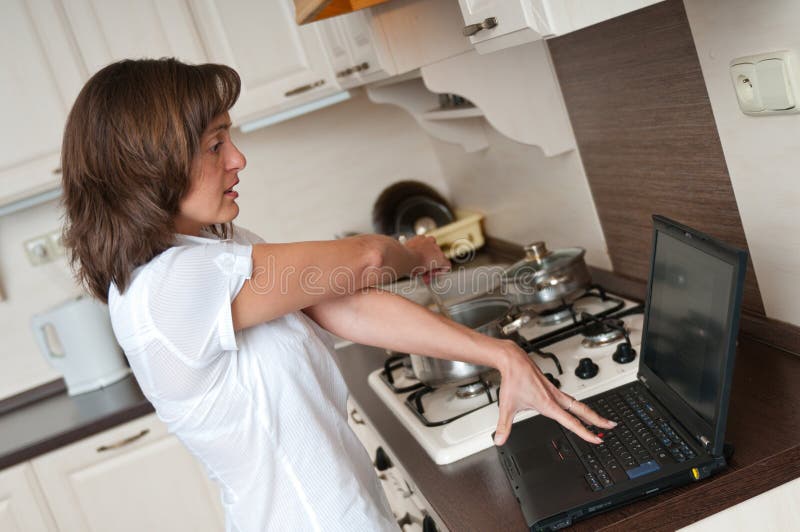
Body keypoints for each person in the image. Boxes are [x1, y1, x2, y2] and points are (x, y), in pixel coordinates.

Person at [60, 58, 614, 531]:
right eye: (214, 144)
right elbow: (365, 260)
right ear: (148, 166)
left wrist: (501, 354)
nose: (237, 159)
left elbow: (346, 302)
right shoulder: (167, 287)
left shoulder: (215, 250)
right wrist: (414, 253)